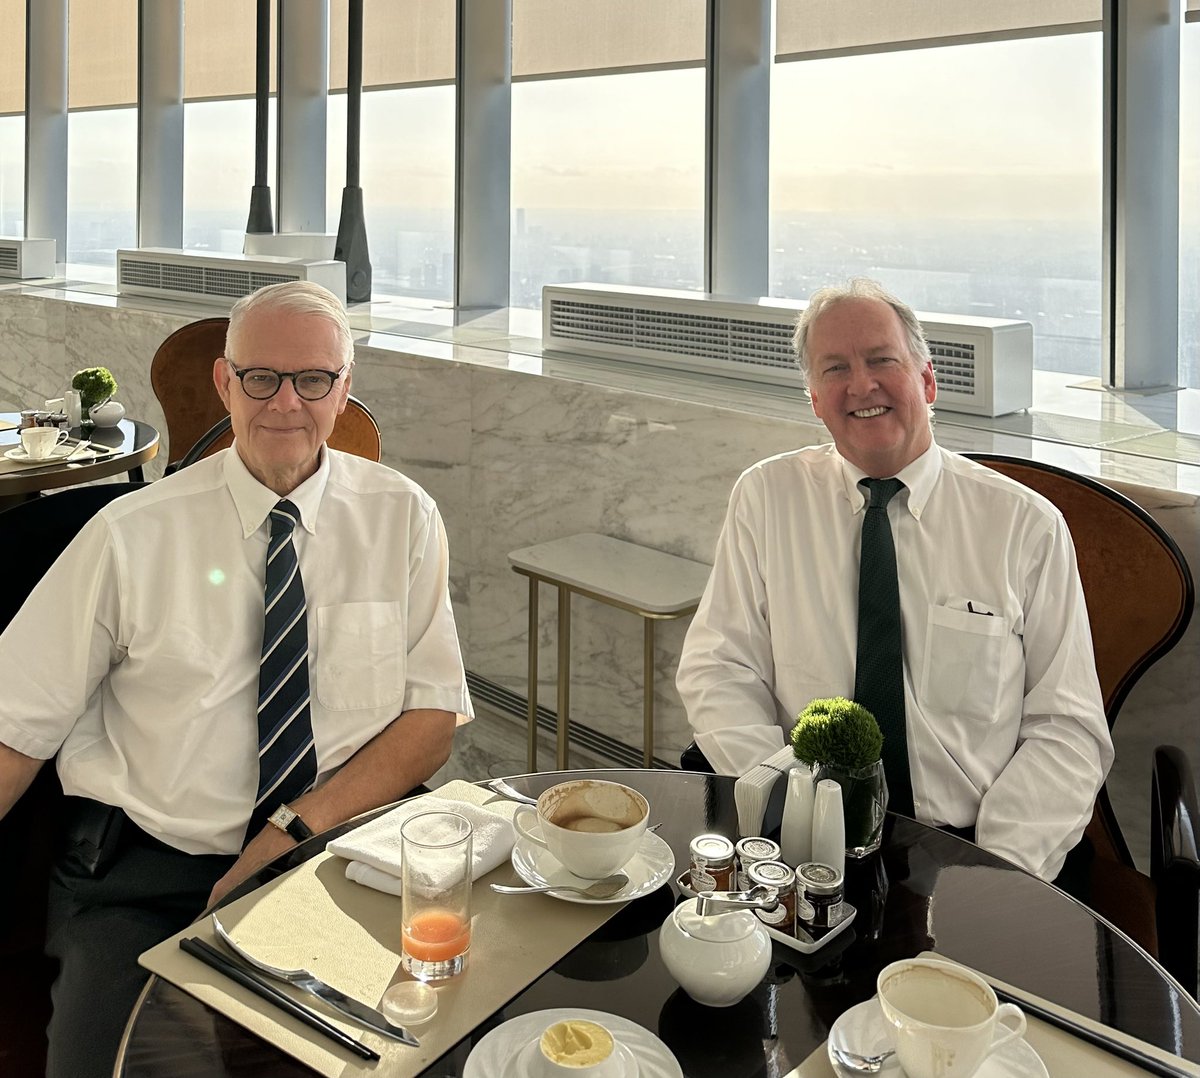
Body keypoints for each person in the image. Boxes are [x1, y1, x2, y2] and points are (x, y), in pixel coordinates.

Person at [0, 281, 473, 1078]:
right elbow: (13, 725)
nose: (287, 403)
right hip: (147, 872)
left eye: (313, 380)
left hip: (337, 847)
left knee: (424, 1052)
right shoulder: (127, 535)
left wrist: (288, 832)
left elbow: (431, 718)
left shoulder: (403, 516)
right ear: (225, 382)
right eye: (262, 378)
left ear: (344, 387)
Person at [676, 277, 1112, 883]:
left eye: (882, 360)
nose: (861, 385)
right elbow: (718, 666)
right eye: (835, 369)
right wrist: (784, 800)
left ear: (928, 380)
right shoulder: (766, 497)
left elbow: (1067, 726)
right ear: (815, 400)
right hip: (798, 831)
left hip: (966, 846)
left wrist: (995, 870)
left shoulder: (1024, 526)